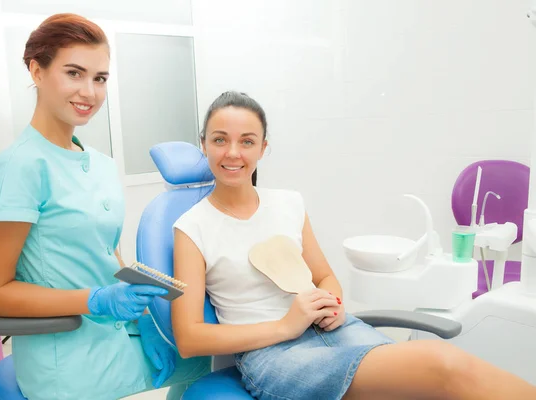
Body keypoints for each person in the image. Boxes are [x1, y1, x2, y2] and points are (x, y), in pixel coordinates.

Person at [170, 90, 536, 399]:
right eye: (220, 139)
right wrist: (286, 326)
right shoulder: (192, 227)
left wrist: (333, 305)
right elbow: (189, 338)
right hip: (273, 355)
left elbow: (326, 277)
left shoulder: (288, 203)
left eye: (246, 141)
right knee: (441, 364)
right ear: (203, 143)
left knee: (427, 386)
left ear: (263, 148)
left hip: (334, 330)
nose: (233, 152)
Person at [0, 13, 210, 400]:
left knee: (216, 354)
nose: (90, 91)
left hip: (119, 332)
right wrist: (96, 300)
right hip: (67, 353)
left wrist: (150, 315)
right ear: (36, 71)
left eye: (99, 78)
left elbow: (108, 255)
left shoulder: (98, 162)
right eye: (74, 73)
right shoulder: (17, 169)